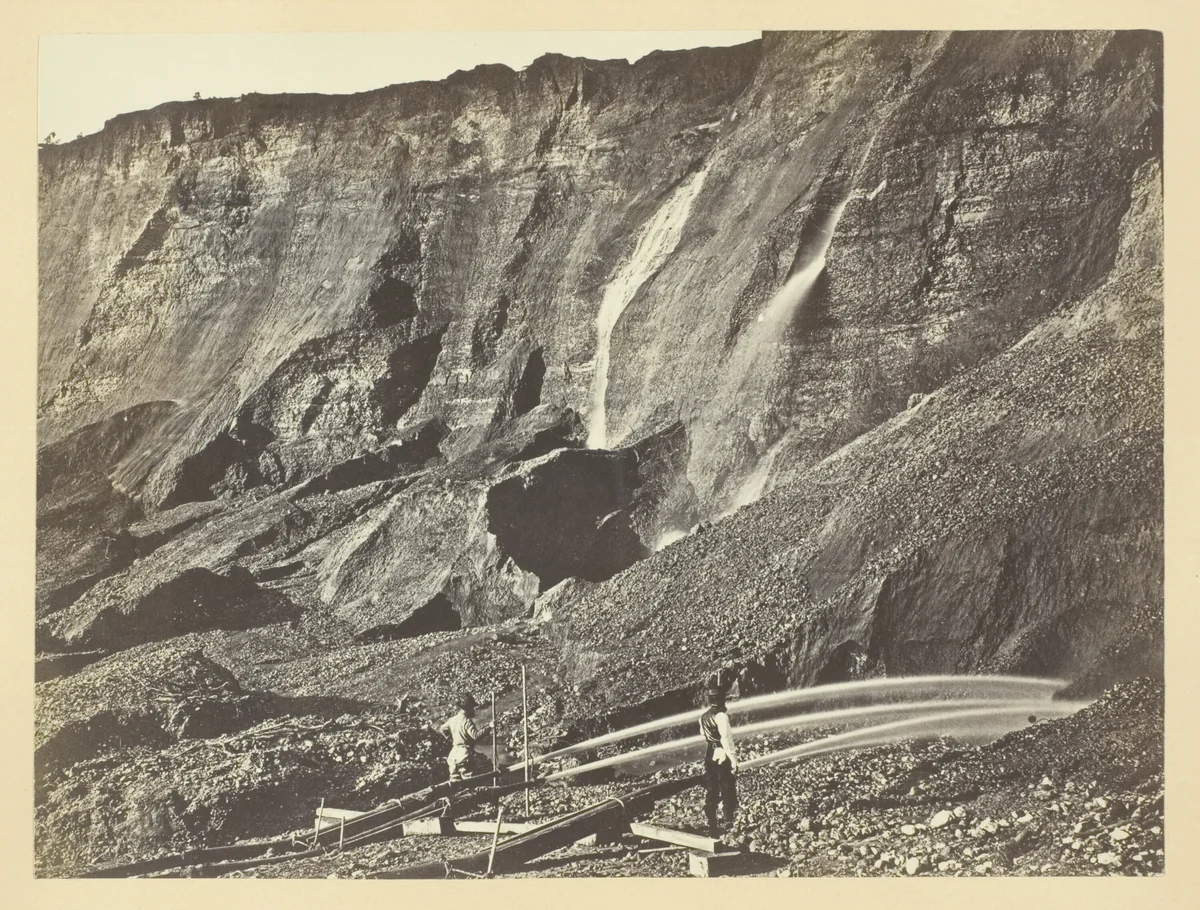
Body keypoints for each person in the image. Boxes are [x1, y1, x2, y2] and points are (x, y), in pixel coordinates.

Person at [699, 685, 738, 837]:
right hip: (722, 753)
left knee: (712, 788)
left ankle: (712, 824)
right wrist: (733, 760)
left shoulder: (703, 717)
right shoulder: (721, 716)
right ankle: (728, 821)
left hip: (710, 753)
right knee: (727, 785)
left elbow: (704, 735)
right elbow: (726, 739)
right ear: (721, 700)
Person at [437, 693, 492, 783]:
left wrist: (450, 739)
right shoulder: (467, 721)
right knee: (469, 783)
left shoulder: (452, 719)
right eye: (472, 708)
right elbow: (476, 736)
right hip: (464, 754)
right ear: (468, 708)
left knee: (455, 784)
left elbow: (442, 729)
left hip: (453, 755)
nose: (473, 710)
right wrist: (490, 727)